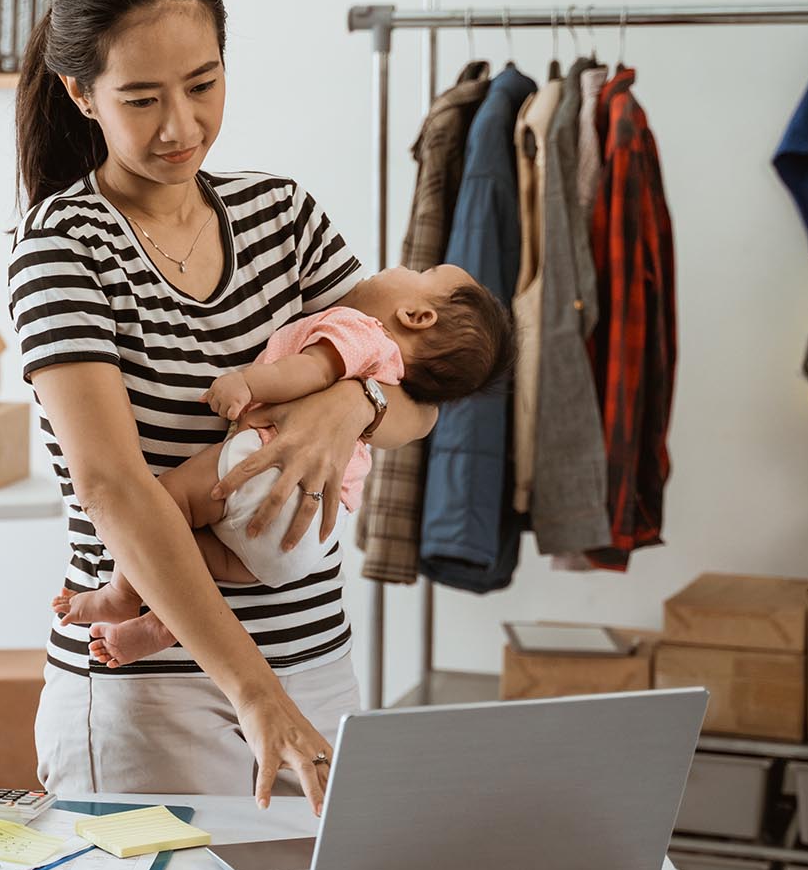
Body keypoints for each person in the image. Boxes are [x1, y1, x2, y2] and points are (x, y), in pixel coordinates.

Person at [8, 0, 439, 814]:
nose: (181, 126)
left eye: (203, 85)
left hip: (316, 668)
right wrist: (253, 692)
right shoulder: (62, 248)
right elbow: (115, 487)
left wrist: (347, 404)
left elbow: (415, 399)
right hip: (156, 697)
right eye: (142, 98)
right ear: (81, 94)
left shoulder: (280, 212)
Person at [54, 264, 515, 668]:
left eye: (417, 273)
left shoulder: (361, 331)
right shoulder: (393, 377)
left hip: (265, 470)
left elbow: (311, 371)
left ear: (416, 316)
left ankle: (122, 595)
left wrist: (246, 382)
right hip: (302, 542)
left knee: (165, 507)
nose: (395, 268)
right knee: (191, 561)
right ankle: (162, 624)